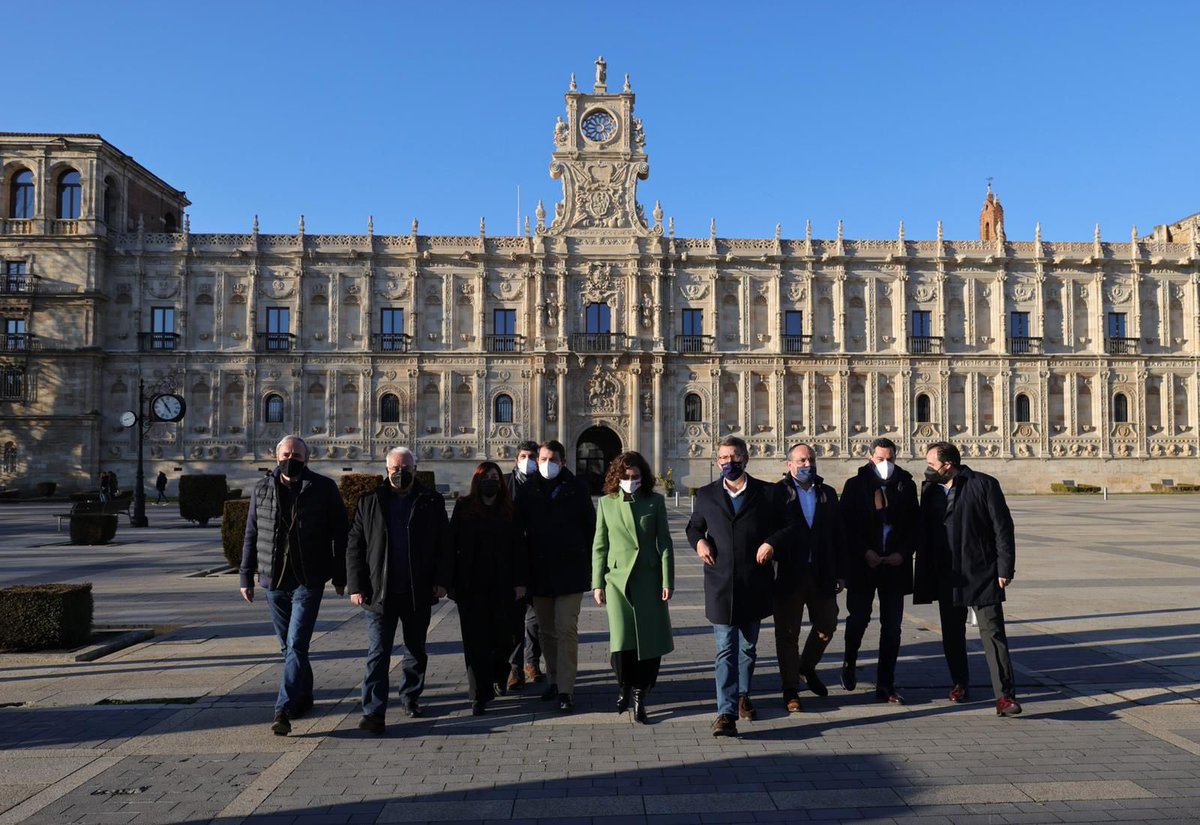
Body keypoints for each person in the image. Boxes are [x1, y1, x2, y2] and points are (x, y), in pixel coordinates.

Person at [239, 435, 348, 736]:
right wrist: (245, 576)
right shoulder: (261, 488)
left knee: (297, 644)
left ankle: (283, 709)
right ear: (276, 457)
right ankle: (305, 696)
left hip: (308, 579)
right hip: (274, 579)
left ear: (307, 458)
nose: (291, 458)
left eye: (297, 454)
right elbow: (251, 534)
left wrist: (340, 576)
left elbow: (341, 533)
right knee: (289, 647)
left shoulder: (323, 487)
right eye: (286, 453)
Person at [347, 446, 451, 734]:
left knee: (415, 649)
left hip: (417, 590)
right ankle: (373, 711)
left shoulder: (431, 501)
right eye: (395, 469)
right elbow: (355, 546)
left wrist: (442, 580)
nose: (400, 473)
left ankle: (410, 697)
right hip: (379, 592)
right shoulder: (369, 502)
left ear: (415, 470)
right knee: (378, 653)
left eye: (406, 468)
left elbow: (444, 543)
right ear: (386, 470)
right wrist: (355, 585)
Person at [915, 441, 1022, 717]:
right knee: (952, 634)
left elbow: (1003, 528)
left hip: (982, 572)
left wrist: (1004, 569)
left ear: (947, 465)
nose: (928, 469)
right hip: (947, 575)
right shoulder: (930, 490)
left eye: (931, 464)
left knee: (993, 634)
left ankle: (1005, 696)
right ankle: (960, 683)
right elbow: (925, 532)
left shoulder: (983, 484)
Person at [685, 435, 780, 737]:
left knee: (748, 648)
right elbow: (694, 526)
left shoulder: (767, 493)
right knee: (725, 648)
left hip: (754, 580)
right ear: (717, 462)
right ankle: (725, 713)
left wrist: (770, 543)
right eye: (724, 458)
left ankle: (743, 695)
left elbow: (786, 525)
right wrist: (699, 542)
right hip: (721, 582)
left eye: (734, 456)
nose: (729, 462)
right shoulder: (707, 494)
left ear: (745, 458)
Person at [761, 443, 845, 712]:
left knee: (827, 624)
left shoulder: (827, 493)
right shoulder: (775, 494)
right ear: (789, 465)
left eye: (810, 460)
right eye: (801, 461)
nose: (807, 465)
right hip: (787, 573)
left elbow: (837, 535)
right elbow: (766, 530)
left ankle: (806, 666)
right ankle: (790, 689)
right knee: (787, 634)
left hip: (821, 572)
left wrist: (841, 572)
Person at [592, 451, 674, 724]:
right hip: (616, 580)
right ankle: (623, 683)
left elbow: (664, 543)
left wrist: (667, 580)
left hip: (648, 578)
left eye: (636, 477)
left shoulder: (655, 502)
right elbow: (599, 546)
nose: (630, 480)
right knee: (621, 639)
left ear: (644, 477)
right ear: (617, 477)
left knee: (648, 639)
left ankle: (641, 692)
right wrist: (597, 583)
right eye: (626, 477)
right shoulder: (606, 503)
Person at [517, 439, 595, 712]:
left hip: (570, 571)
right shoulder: (527, 491)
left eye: (551, 460)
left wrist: (589, 565)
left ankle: (566, 689)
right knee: (546, 633)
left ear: (563, 462)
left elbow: (590, 528)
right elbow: (519, 532)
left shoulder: (577, 489)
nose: (545, 464)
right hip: (539, 572)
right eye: (542, 459)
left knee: (566, 629)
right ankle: (553, 679)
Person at [838, 437, 918, 704]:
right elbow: (845, 527)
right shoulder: (855, 486)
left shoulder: (905, 484)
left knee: (892, 627)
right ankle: (850, 661)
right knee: (859, 618)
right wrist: (865, 552)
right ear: (870, 457)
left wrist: (902, 554)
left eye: (890, 459)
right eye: (881, 459)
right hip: (864, 565)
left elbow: (913, 526)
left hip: (894, 566)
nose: (886, 464)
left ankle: (886, 683)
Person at [449, 461, 527, 715]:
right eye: (486, 476)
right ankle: (478, 695)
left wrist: (520, 582)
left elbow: (519, 548)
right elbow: (450, 546)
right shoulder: (463, 507)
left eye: (495, 476)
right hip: (471, 586)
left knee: (506, 638)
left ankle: (499, 671)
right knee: (474, 642)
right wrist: (449, 581)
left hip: (503, 585)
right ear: (477, 480)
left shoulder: (509, 510)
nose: (491, 480)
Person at [505, 440, 544, 691]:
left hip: (538, 561)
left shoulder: (545, 487)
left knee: (535, 618)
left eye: (532, 456)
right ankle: (514, 668)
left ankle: (532, 663)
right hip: (511, 563)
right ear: (516, 459)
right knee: (512, 618)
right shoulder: (503, 487)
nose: (527, 460)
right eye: (523, 455)